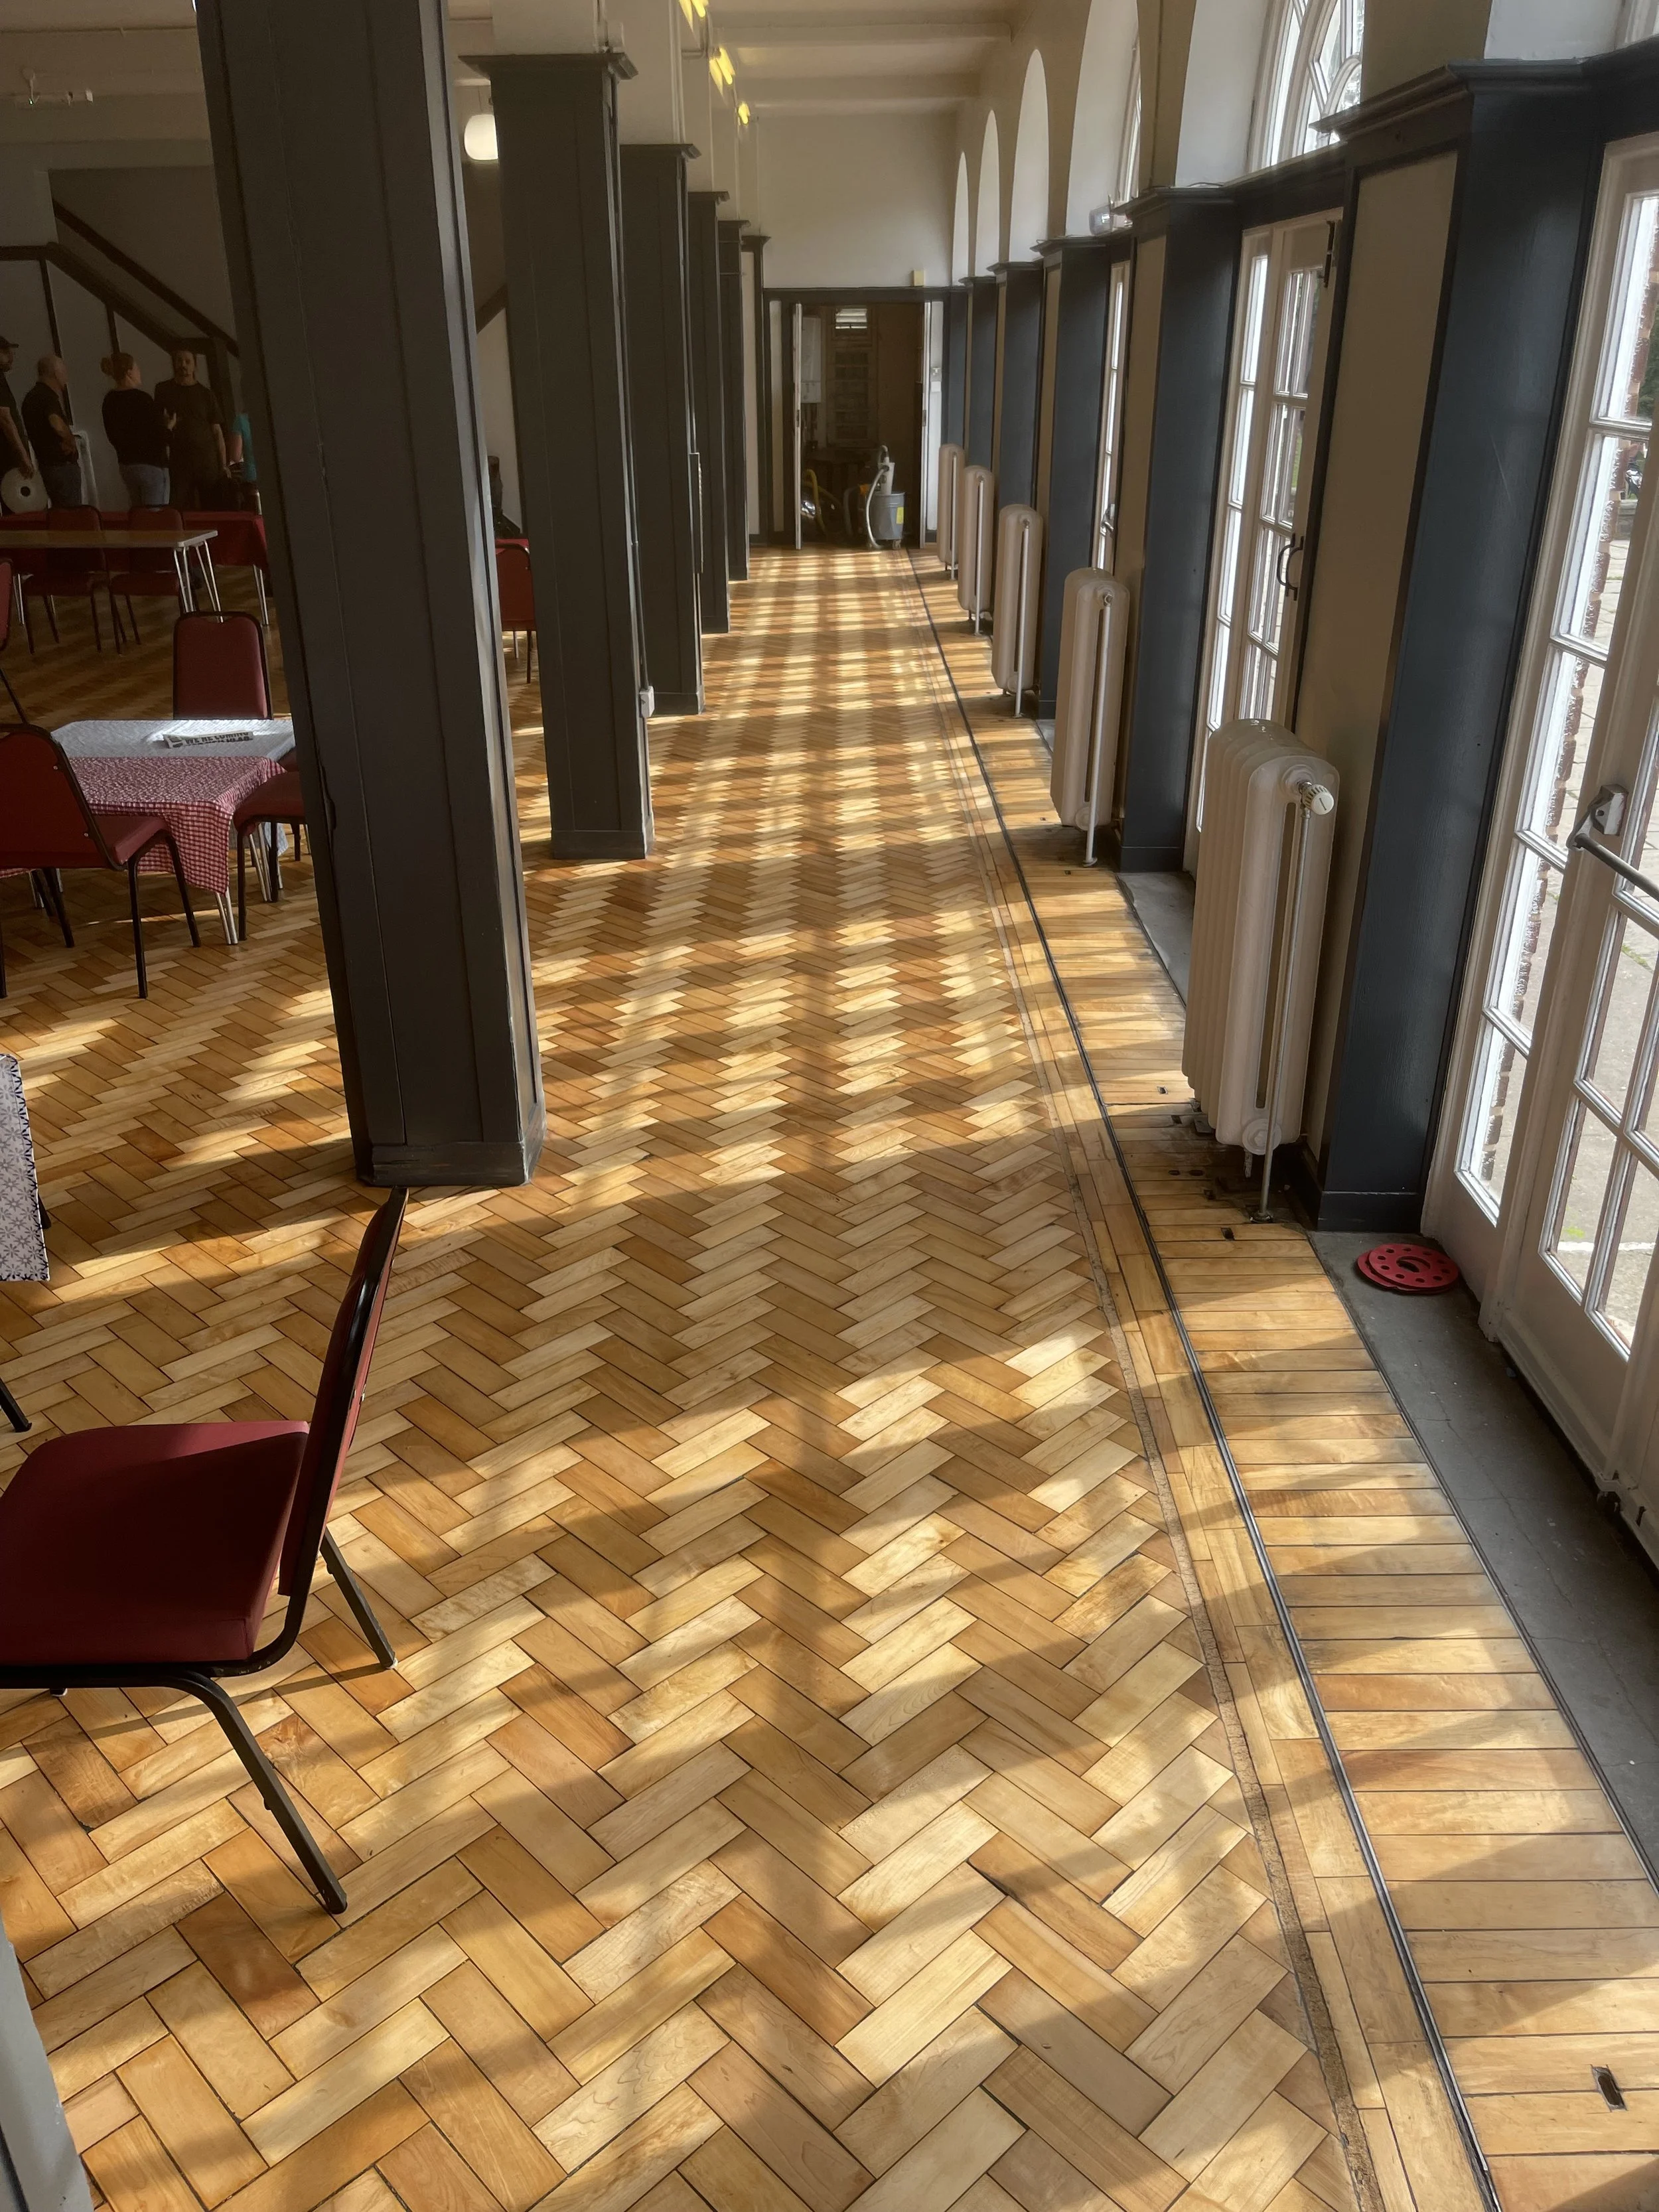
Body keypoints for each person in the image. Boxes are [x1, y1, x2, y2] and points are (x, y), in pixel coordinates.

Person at [155, 346, 225, 510]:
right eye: (179, 360)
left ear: (195, 365)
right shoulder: (164, 390)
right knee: (179, 508)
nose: (183, 365)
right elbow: (158, 422)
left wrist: (223, 465)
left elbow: (217, 431)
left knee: (212, 508)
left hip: (207, 461)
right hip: (180, 460)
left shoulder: (206, 394)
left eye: (187, 361)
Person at [100, 352, 169, 508]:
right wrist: (169, 427)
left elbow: (112, 435)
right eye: (137, 368)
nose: (139, 372)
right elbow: (159, 436)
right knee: (155, 515)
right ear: (130, 373)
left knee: (138, 512)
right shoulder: (143, 399)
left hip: (126, 465)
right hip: (151, 465)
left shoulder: (109, 400)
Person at [21, 358, 81, 508]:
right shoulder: (48, 397)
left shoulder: (30, 398)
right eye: (64, 372)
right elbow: (56, 424)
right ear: (56, 373)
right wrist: (70, 440)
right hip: (63, 467)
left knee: (59, 514)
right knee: (72, 515)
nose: (66, 377)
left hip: (46, 467)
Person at [0, 339, 36, 504]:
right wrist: (23, 456)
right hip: (7, 456)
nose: (11, 357)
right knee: (17, 505)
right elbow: (5, 418)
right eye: (6, 352)